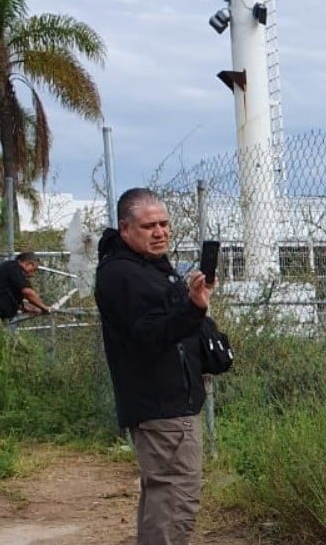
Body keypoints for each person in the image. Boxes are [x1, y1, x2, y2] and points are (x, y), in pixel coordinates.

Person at [95, 187, 213, 545]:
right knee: (176, 500)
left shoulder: (147, 268)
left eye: (164, 224)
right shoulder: (123, 275)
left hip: (168, 405)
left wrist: (190, 300)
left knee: (164, 497)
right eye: (149, 226)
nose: (160, 232)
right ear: (125, 228)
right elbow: (150, 335)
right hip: (163, 407)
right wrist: (193, 309)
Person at [0, 251, 52, 321]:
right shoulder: (14, 268)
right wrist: (44, 307)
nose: (33, 275)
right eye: (34, 270)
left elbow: (7, 293)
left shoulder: (10, 269)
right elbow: (27, 292)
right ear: (28, 264)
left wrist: (23, 307)